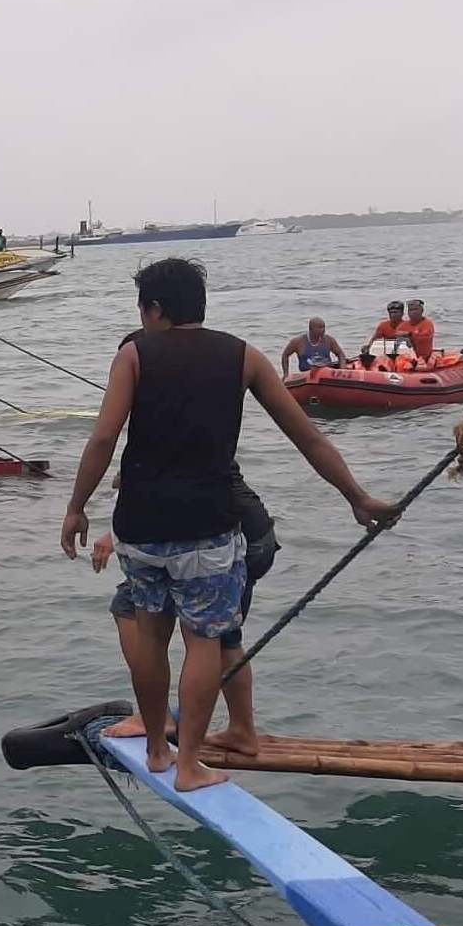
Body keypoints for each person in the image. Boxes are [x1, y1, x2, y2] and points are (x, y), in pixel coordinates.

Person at [61, 258, 393, 791]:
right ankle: (190, 763)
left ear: (155, 308)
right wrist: (355, 496)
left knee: (150, 632)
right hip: (208, 526)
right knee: (203, 640)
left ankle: (155, 750)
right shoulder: (244, 356)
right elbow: (307, 436)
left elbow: (103, 437)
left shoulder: (133, 355)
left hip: (140, 527)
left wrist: (76, 506)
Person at [92, 459, 278, 759]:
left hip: (220, 537)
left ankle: (156, 718)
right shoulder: (206, 424)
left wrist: (112, 532)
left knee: (129, 608)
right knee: (223, 637)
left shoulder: (157, 440)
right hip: (252, 532)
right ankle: (242, 731)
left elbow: (140, 483)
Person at [279, 317, 345, 375]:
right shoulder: (298, 342)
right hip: (306, 375)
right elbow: (285, 355)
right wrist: (286, 373)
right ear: (311, 328)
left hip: (326, 373)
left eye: (323, 327)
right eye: (319, 327)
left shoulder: (329, 340)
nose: (323, 330)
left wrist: (342, 369)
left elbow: (340, 354)